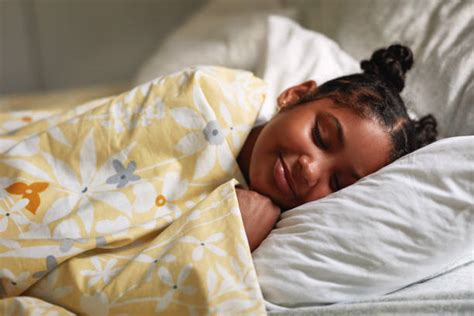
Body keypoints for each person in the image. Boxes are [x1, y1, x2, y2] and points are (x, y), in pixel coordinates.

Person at [235, 44, 438, 250]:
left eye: (337, 183)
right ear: (295, 95)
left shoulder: (279, 244)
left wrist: (235, 241)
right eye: (319, 136)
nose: (310, 171)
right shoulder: (212, 97)